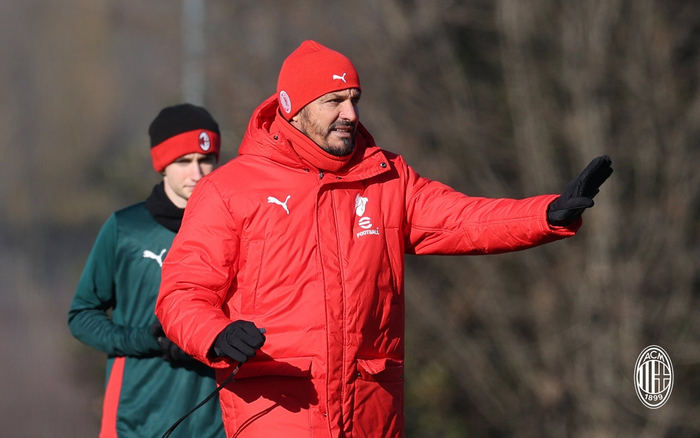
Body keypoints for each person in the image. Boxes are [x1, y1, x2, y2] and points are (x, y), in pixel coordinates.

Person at [155, 41, 613, 438]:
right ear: (292, 106)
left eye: (354, 100)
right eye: (334, 101)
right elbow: (182, 293)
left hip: (371, 415)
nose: (350, 114)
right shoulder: (228, 189)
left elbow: (463, 219)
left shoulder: (388, 178)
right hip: (276, 412)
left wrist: (545, 213)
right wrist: (216, 334)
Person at [68, 104, 226, 438]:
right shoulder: (126, 229)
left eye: (205, 160)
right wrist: (146, 338)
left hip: (217, 420)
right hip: (137, 419)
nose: (197, 173)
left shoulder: (234, 228)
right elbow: (82, 315)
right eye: (183, 161)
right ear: (162, 164)